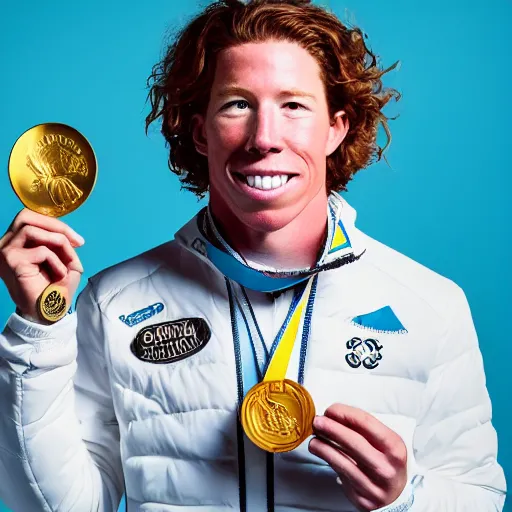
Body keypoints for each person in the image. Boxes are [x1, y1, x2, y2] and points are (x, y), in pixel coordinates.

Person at [0, 0, 506, 510]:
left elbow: (479, 493)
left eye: (294, 105)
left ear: (336, 128)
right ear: (199, 131)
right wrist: (36, 330)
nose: (264, 138)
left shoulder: (431, 305)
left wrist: (407, 499)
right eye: (236, 104)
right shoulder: (114, 301)